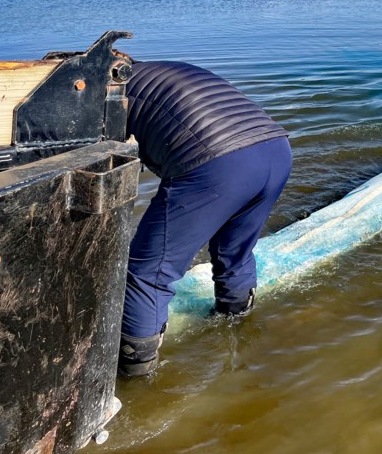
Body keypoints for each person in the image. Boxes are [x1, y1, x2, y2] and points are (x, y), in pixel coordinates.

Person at [117, 60, 291, 377]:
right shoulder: (165, 69)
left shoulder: (107, 93)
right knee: (233, 253)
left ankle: (135, 378)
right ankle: (238, 326)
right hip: (275, 150)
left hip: (219, 164)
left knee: (147, 273)